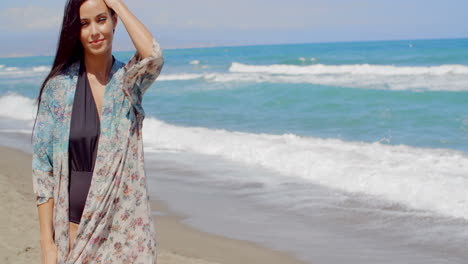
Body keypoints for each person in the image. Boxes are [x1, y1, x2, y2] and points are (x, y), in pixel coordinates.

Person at [31, 0, 164, 263]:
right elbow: (42, 170)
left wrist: (116, 3)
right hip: (75, 234)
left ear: (114, 21)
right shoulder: (58, 89)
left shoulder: (128, 83)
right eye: (84, 23)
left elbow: (153, 56)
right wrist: (47, 244)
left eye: (101, 20)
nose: (94, 32)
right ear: (76, 32)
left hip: (125, 236)